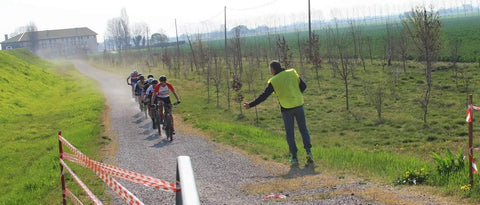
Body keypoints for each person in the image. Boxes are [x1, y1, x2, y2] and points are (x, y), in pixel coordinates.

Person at [243, 60, 313, 164]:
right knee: (303, 129)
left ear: (272, 70)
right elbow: (304, 86)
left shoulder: (274, 81)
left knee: (290, 133)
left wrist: (250, 105)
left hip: (286, 109)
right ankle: (308, 153)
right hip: (299, 105)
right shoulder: (292, 72)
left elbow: (264, 96)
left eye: (270, 69)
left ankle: (294, 157)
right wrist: (296, 94)